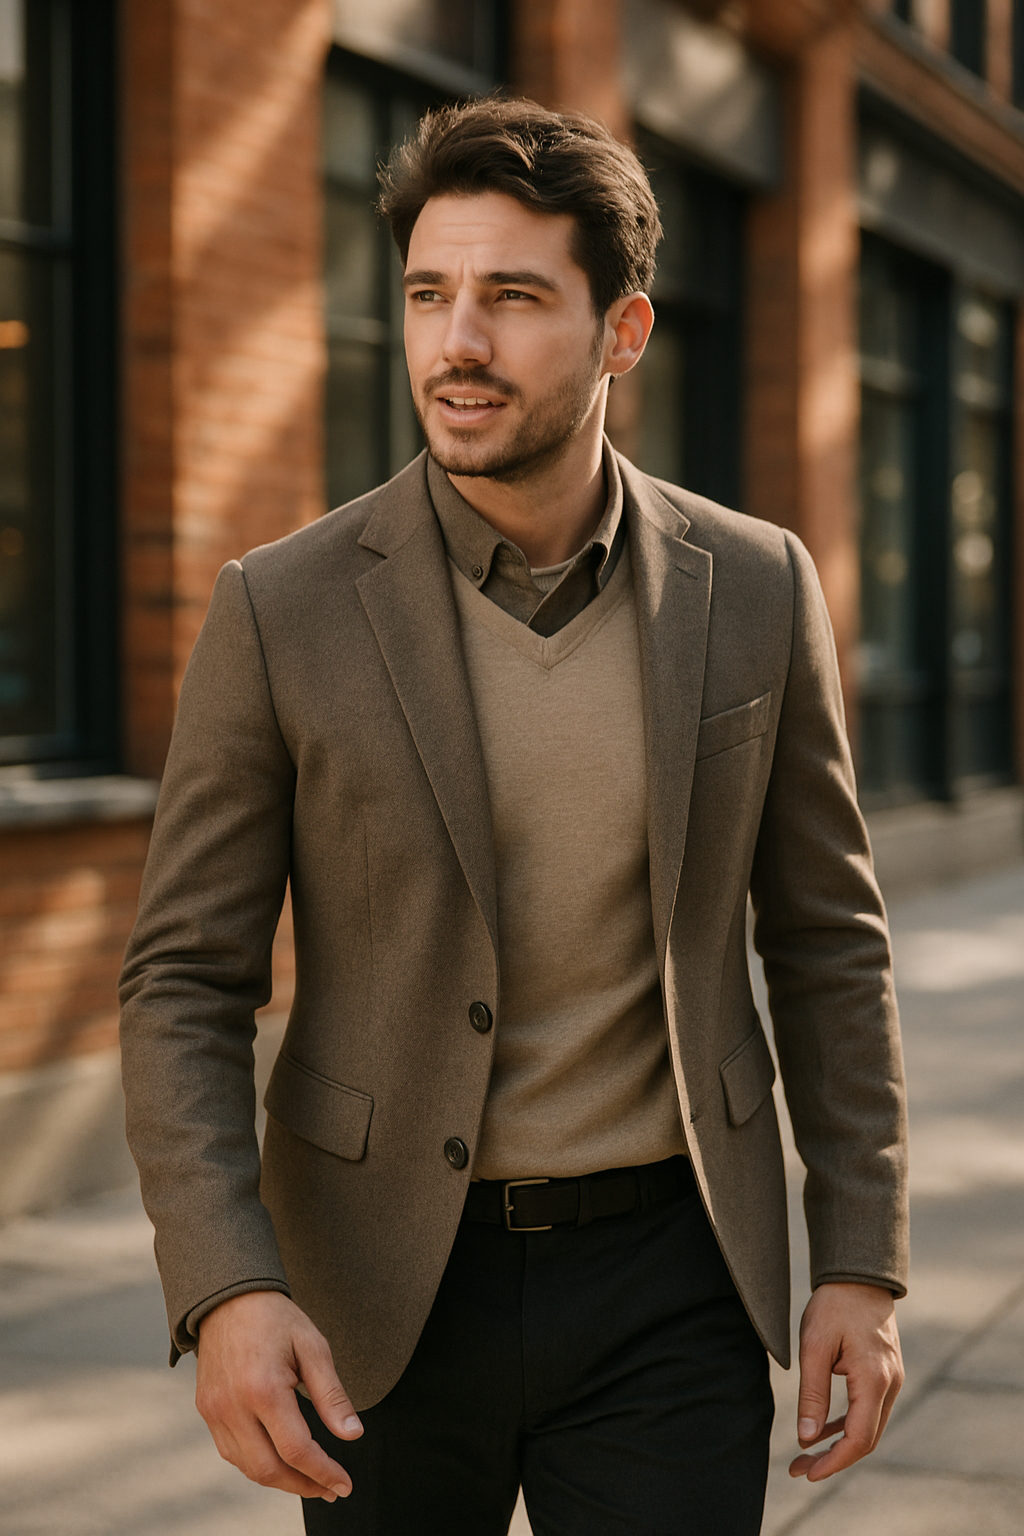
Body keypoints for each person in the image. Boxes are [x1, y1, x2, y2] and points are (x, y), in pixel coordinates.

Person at [119, 98, 908, 1536]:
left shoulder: (756, 587)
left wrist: (861, 1256)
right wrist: (228, 1285)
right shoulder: (279, 609)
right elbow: (184, 980)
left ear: (624, 332)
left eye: (512, 298)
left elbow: (828, 945)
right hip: (379, 1295)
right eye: (428, 294)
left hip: (672, 1277)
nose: (455, 343)